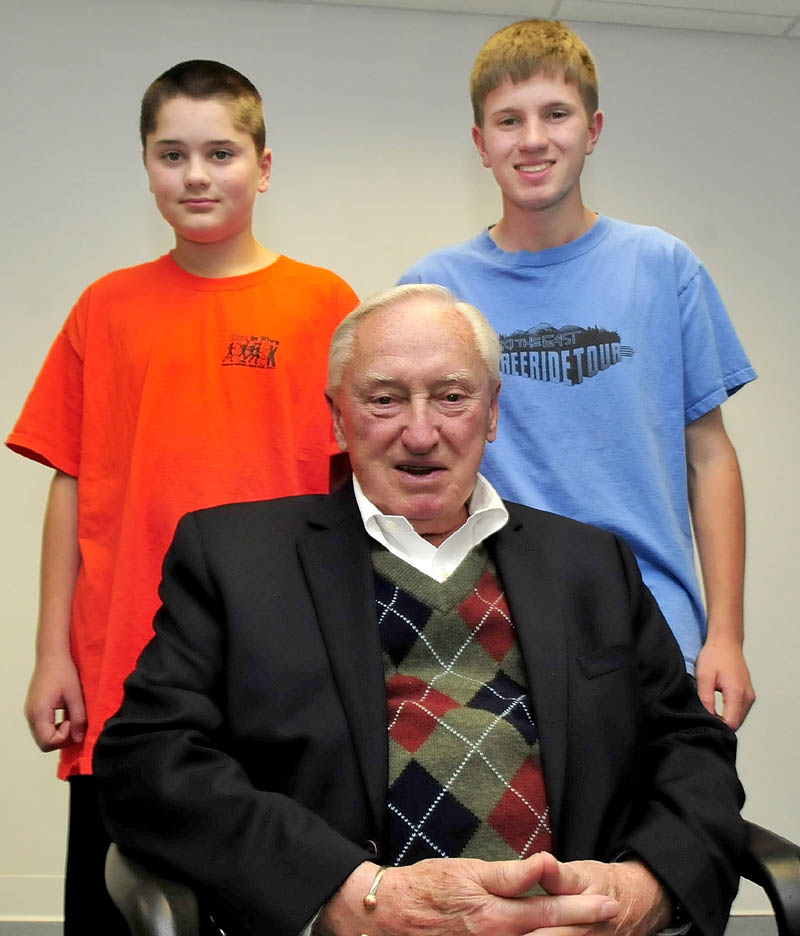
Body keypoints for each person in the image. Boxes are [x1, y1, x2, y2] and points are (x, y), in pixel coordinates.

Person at [94, 284, 744, 936]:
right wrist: (344, 895)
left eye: (452, 397)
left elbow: (691, 748)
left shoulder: (591, 563)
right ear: (338, 417)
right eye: (384, 399)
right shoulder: (235, 559)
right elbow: (146, 758)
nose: (421, 431)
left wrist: (641, 888)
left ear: (492, 413)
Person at [6, 60, 357, 933]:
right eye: (172, 154)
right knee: (122, 906)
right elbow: (71, 485)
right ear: (147, 165)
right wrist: (55, 652)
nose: (196, 175)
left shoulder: (326, 305)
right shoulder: (106, 307)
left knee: (281, 901)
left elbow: (361, 496)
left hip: (285, 673)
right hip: (129, 665)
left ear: (263, 166)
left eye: (221, 152)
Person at [397, 19, 756, 730]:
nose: (532, 139)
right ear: (480, 143)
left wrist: (726, 636)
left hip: (654, 626)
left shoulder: (663, 267)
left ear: (592, 129)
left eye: (554, 114)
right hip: (490, 631)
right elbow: (410, 470)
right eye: (508, 120)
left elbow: (709, 456)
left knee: (658, 838)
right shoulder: (434, 290)